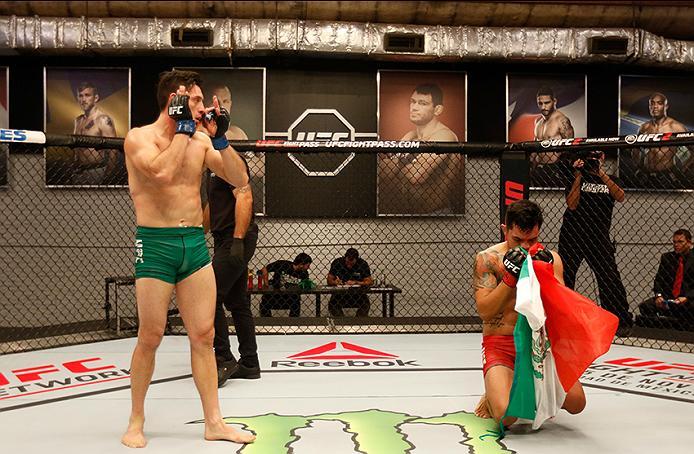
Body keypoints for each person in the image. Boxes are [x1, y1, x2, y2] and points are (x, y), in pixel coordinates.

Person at [121, 70, 254, 447]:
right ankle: (135, 419)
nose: (202, 107)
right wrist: (183, 131)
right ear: (174, 100)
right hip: (156, 243)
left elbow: (239, 178)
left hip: (194, 243)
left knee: (204, 335)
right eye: (195, 100)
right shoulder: (138, 138)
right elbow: (161, 173)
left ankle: (214, 422)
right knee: (150, 335)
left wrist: (222, 139)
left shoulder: (199, 139)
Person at [472, 199, 586, 426]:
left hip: (539, 344)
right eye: (517, 240)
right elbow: (485, 312)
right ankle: (497, 391)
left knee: (576, 403)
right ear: (505, 230)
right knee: (507, 416)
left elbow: (561, 311)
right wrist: (509, 279)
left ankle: (521, 385)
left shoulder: (550, 258)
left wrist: (548, 280)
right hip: (500, 342)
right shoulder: (488, 259)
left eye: (532, 240)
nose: (525, 247)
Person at [557, 150, 633, 335]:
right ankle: (562, 320)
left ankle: (619, 320)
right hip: (572, 236)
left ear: (602, 158)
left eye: (596, 157)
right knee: (565, 278)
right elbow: (572, 204)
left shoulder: (611, 178)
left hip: (598, 237)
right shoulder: (574, 175)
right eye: (590, 158)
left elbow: (620, 196)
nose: (593, 161)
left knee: (609, 278)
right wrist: (577, 175)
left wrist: (601, 174)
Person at [201, 153, 260, 388]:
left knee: (209, 296)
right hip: (223, 238)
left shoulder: (228, 160)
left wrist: (237, 240)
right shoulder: (210, 168)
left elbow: (244, 197)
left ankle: (224, 358)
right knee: (237, 302)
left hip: (235, 238)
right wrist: (196, 233)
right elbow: (211, 207)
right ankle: (250, 362)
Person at [379, 83, 462, 214]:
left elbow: (416, 175)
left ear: (437, 109)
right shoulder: (410, 136)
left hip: (438, 215)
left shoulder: (444, 135)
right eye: (413, 102)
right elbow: (383, 173)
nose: (414, 107)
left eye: (422, 103)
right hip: (409, 215)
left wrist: (398, 158)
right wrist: (410, 159)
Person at [208, 83, 265, 214]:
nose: (222, 106)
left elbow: (260, 168)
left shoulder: (237, 133)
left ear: (231, 104)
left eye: (226, 101)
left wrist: (231, 167)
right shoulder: (200, 134)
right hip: (211, 198)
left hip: (238, 197)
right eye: (216, 101)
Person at [632, 92, 694, 186]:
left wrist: (682, 170)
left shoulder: (676, 127)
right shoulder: (644, 127)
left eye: (659, 103)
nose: (655, 106)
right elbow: (635, 149)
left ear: (666, 106)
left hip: (668, 177)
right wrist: (640, 168)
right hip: (648, 177)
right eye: (652, 103)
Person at [637, 229, 694, 329]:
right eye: (674, 242)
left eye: (680, 242)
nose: (676, 245)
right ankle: (660, 331)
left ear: (689, 242)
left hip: (688, 299)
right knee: (645, 306)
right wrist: (659, 296)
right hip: (669, 299)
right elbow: (659, 280)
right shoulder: (667, 257)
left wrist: (687, 297)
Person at [72, 81, 120, 185]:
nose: (83, 99)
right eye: (80, 96)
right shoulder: (78, 120)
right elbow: (76, 150)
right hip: (78, 172)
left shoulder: (102, 120)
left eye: (87, 95)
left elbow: (113, 151)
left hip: (96, 172)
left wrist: (107, 177)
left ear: (96, 98)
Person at [530, 86, 575, 184]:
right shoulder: (538, 123)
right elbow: (534, 150)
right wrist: (531, 170)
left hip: (556, 170)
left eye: (547, 103)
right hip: (539, 170)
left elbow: (570, 149)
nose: (543, 107)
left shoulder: (562, 120)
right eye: (540, 103)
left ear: (554, 101)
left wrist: (563, 170)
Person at [259, 253, 313, 317]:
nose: (309, 268)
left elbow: (305, 285)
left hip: (291, 299)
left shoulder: (304, 273)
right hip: (274, 296)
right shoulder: (282, 264)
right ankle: (266, 325)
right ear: (301, 264)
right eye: (308, 265)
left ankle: (293, 325)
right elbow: (264, 269)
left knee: (296, 302)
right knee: (265, 301)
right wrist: (266, 284)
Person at [326, 248, 374, 317]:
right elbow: (329, 280)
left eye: (352, 264)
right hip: (339, 295)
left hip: (358, 295)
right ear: (345, 258)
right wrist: (335, 282)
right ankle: (341, 322)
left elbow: (369, 281)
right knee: (332, 305)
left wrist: (356, 282)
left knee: (365, 304)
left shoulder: (362, 263)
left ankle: (358, 323)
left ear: (356, 260)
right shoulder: (337, 262)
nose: (349, 266)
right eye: (347, 263)